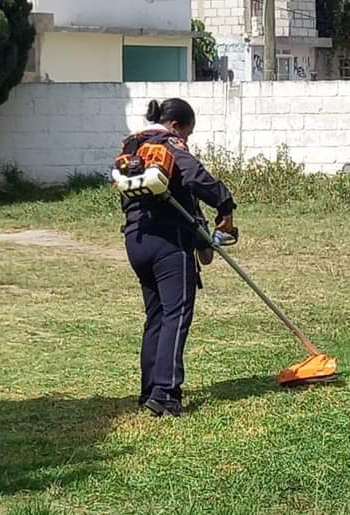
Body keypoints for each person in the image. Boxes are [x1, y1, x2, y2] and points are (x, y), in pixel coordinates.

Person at [116, 98, 237, 417]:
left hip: (136, 239)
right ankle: (166, 394)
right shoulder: (169, 143)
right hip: (169, 242)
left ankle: (149, 391)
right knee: (176, 314)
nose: (187, 140)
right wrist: (225, 205)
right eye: (188, 133)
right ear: (175, 125)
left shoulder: (133, 146)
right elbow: (196, 177)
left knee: (156, 316)